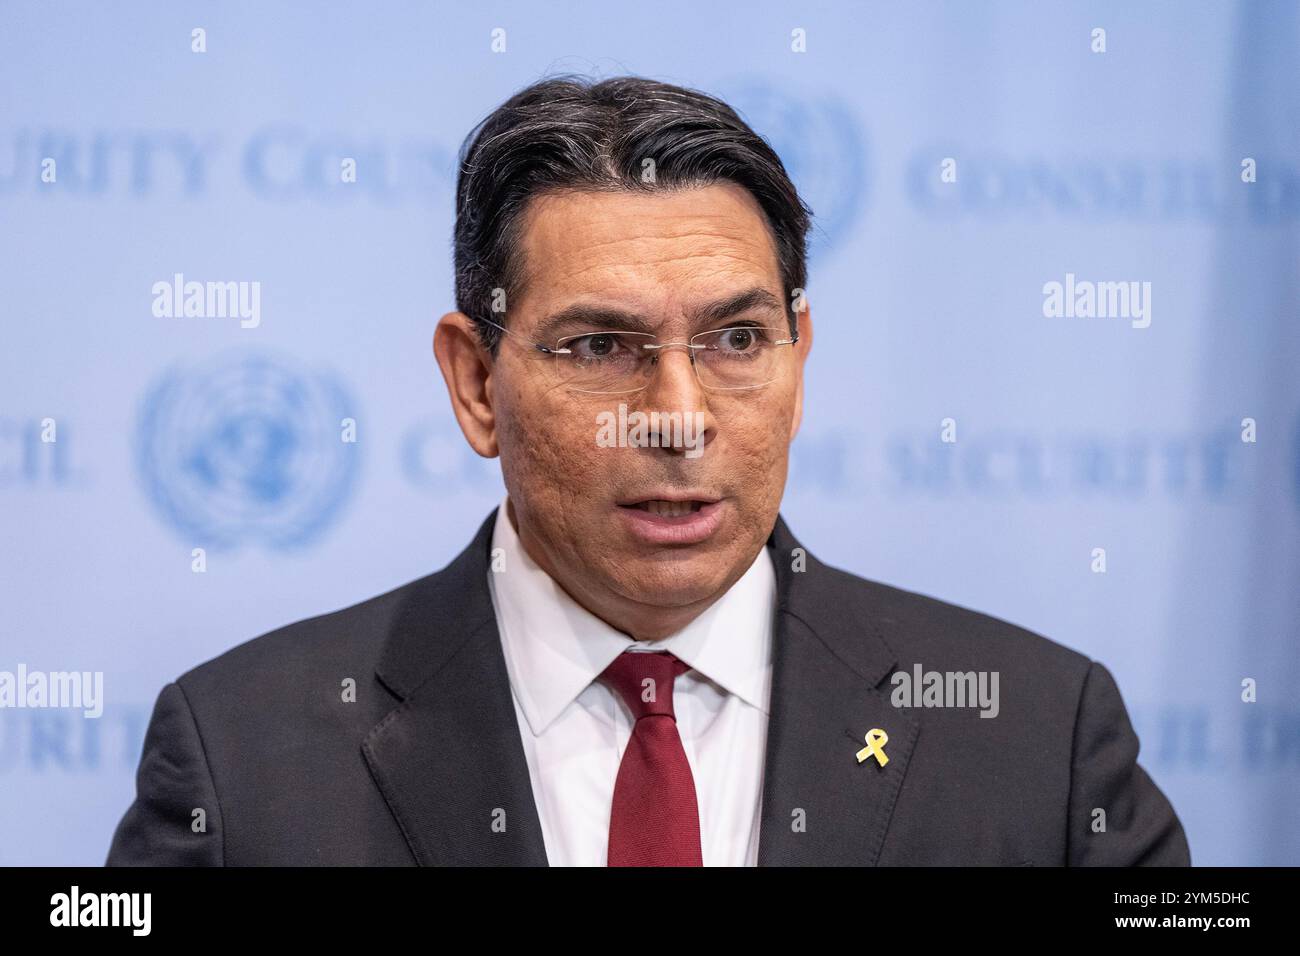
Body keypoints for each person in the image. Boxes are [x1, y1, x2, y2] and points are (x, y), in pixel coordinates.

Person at [107, 75, 1190, 866]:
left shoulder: (1037, 737)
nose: (676, 419)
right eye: (598, 349)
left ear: (798, 362)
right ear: (476, 381)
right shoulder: (242, 759)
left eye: (734, 341)